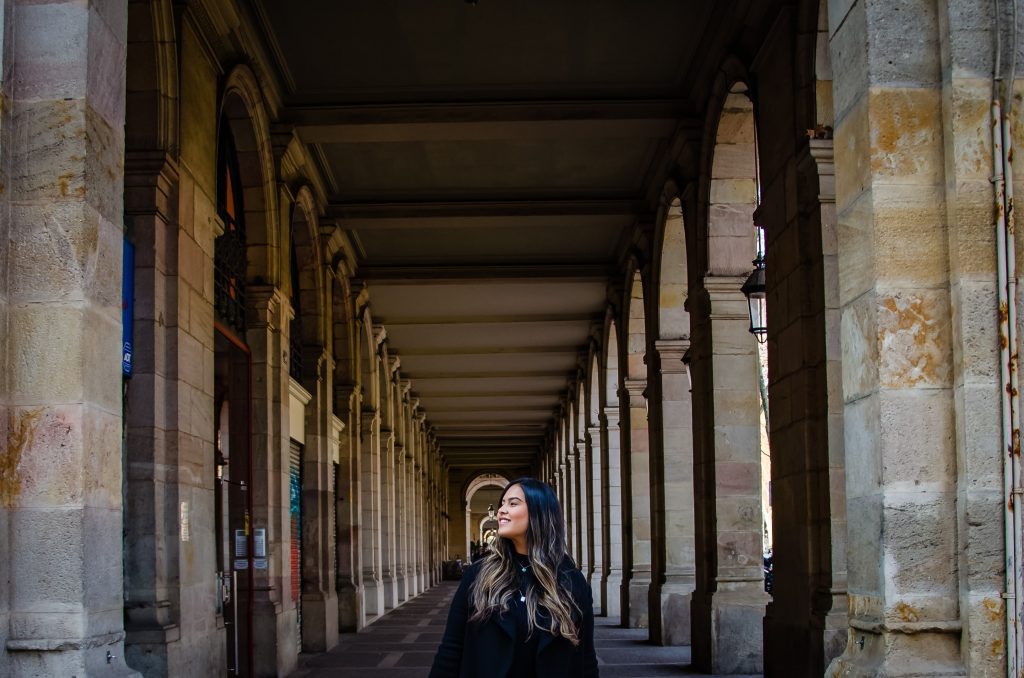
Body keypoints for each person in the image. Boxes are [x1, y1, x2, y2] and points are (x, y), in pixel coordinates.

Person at [429, 477, 598, 678]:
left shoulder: (571, 581)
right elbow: (452, 649)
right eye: (502, 503)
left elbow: (585, 659)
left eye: (513, 503)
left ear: (539, 511)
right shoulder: (478, 575)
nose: (501, 510)